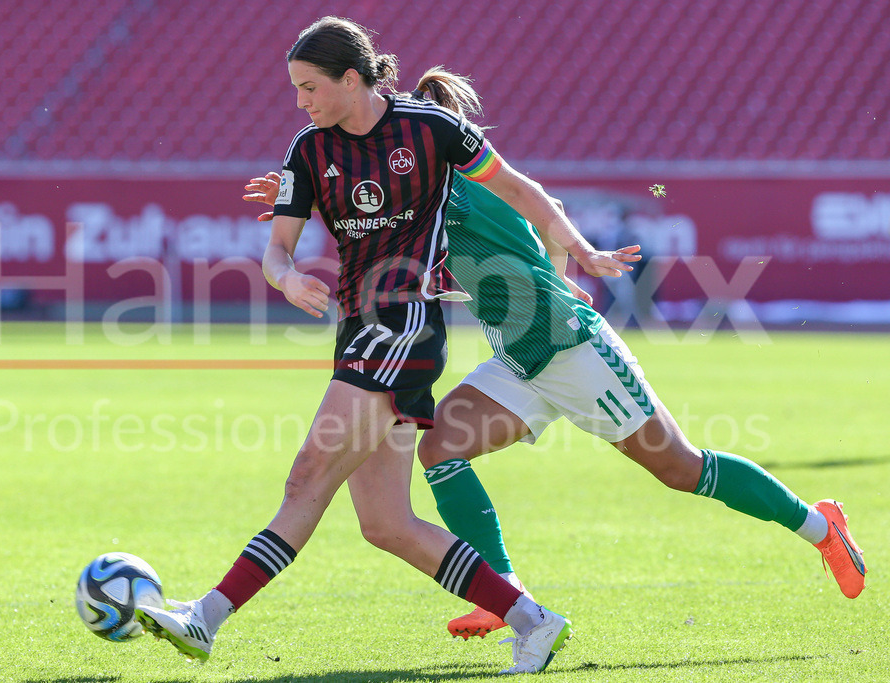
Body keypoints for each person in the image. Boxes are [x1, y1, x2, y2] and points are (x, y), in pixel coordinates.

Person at [244, 99, 867, 646]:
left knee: (682, 468)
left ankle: (821, 526)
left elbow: (496, 204)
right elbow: (385, 212)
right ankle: (505, 595)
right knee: (438, 448)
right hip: (520, 362)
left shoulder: (444, 183)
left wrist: (567, 269)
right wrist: (303, 192)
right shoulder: (425, 187)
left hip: (573, 352)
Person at [137, 16, 637, 674]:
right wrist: (287, 281)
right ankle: (532, 620)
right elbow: (277, 251)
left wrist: (581, 249)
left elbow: (522, 190)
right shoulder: (310, 150)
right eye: (295, 89)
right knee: (386, 523)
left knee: (305, 479)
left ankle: (205, 616)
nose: (300, 102)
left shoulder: (429, 129)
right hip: (358, 328)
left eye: (310, 87)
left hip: (404, 326)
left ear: (352, 79)